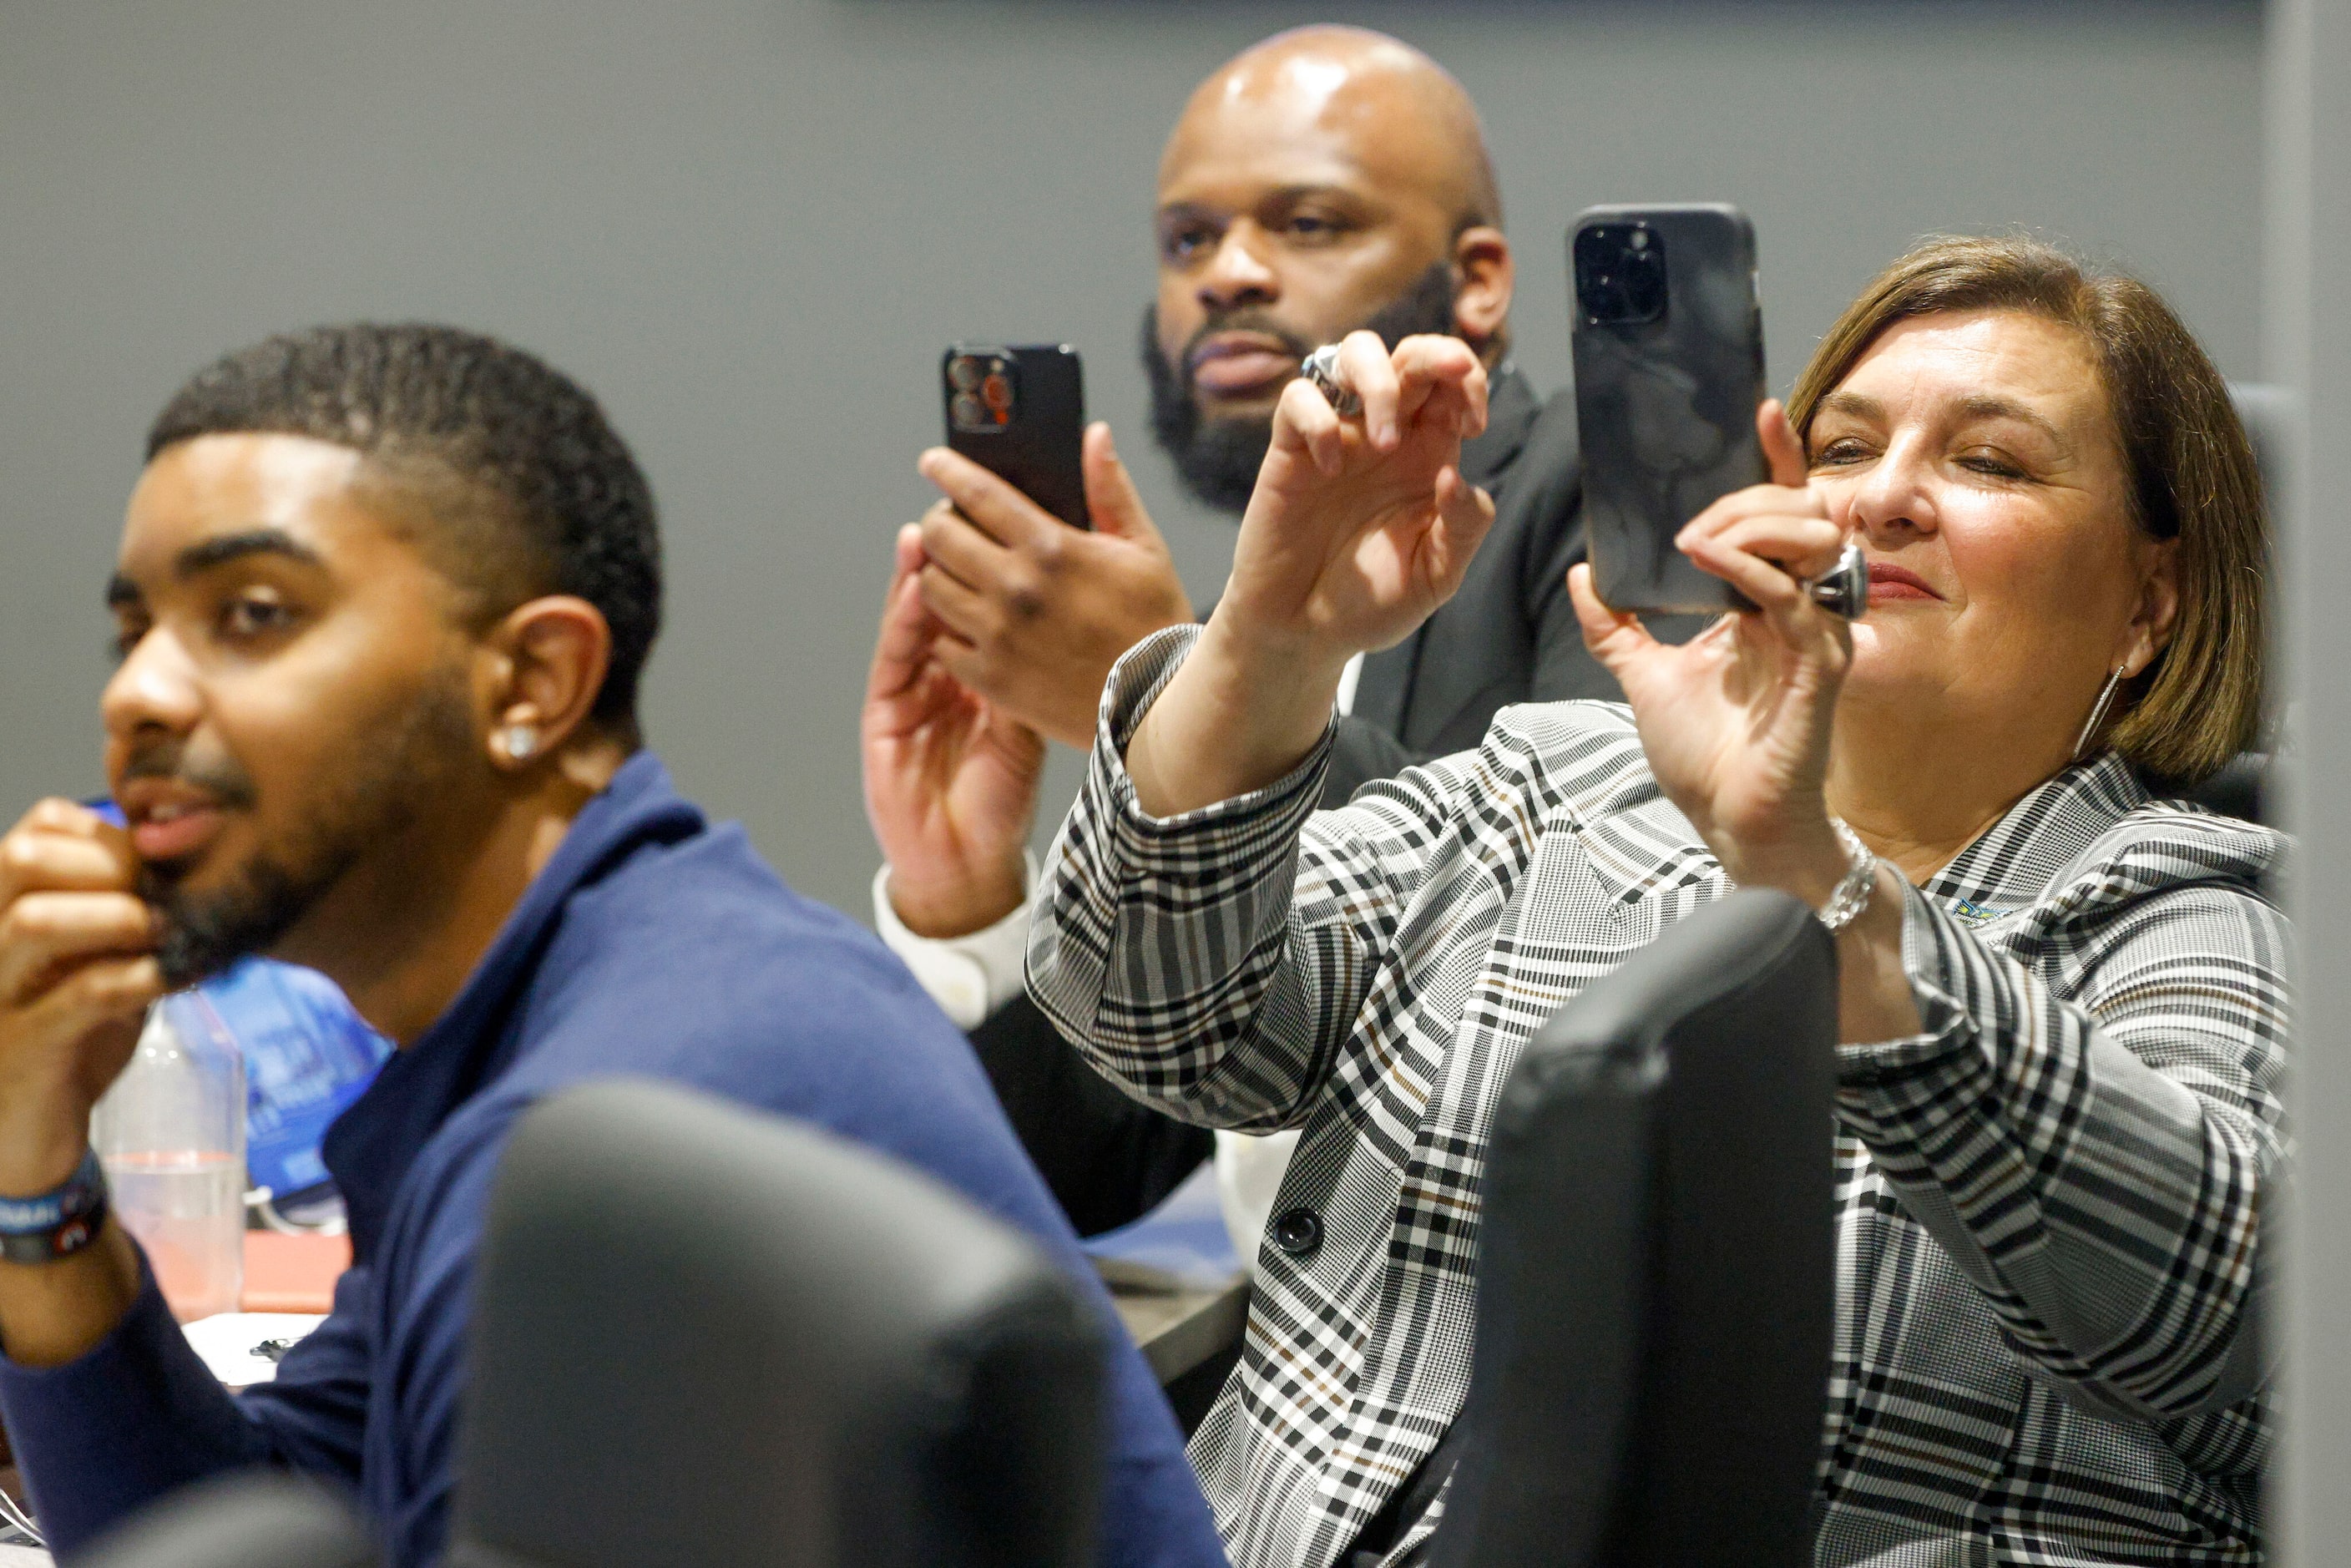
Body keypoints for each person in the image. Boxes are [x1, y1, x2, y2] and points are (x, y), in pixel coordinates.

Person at [1020, 235, 2284, 1565]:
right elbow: (1150, 1012)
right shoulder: (1555, 785)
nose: (1884, 500)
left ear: (2150, 604)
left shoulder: (2203, 914)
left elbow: (2216, 1303)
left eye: (1990, 462)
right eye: (1842, 449)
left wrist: (1804, 870)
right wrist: (1274, 633)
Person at [0, 326, 1226, 1568]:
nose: (136, 694)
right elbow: (239, 1520)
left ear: (534, 682)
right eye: (133, 631)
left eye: (250, 614)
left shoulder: (626, 1107)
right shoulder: (606, 992)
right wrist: (35, 1173)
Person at [867, 25, 1630, 1252]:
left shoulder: (1593, 492)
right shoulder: (1270, 594)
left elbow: (1592, 956)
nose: (1229, 274)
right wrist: (961, 901)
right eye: (1190, 239)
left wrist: (1214, 700)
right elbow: (1046, 1172)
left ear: (1477, 279)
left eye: (1309, 223)